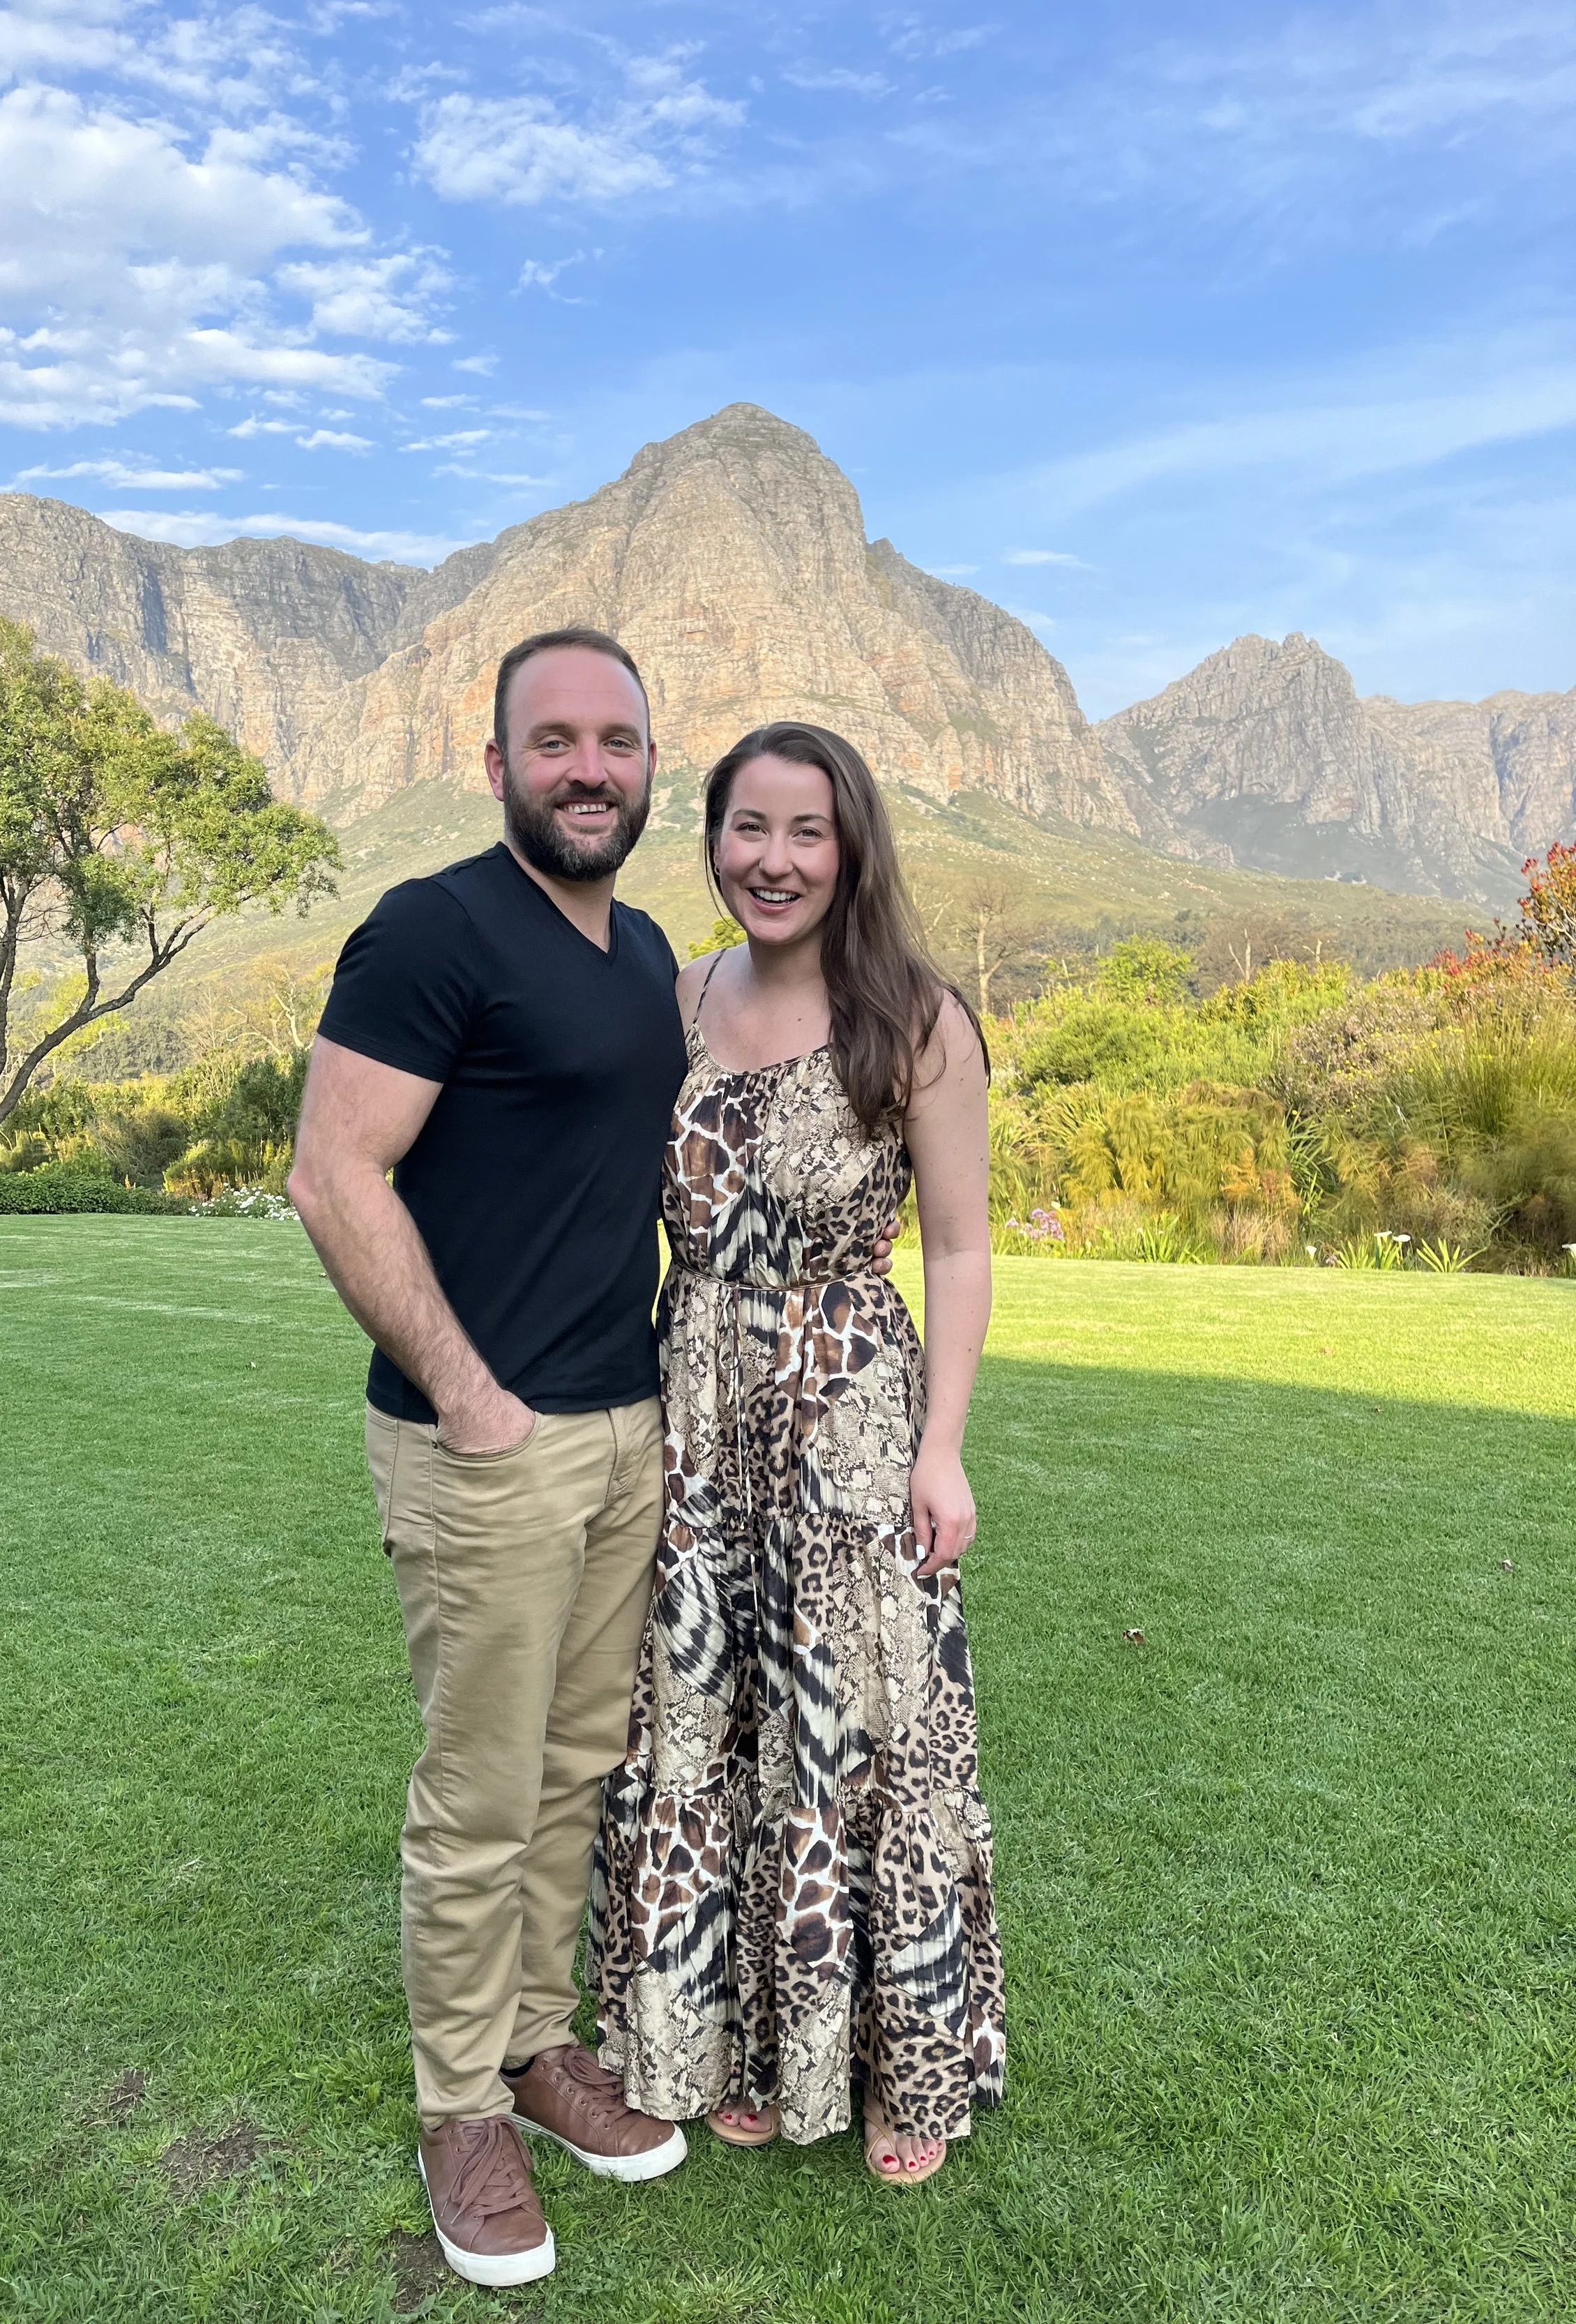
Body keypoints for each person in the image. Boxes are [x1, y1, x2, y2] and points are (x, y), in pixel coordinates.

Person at [287, 629, 692, 2289]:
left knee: (573, 1768)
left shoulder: (647, 944)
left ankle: (536, 2046)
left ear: (649, 760)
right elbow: (333, 1174)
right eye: (554, 740)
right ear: (498, 763)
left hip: (623, 1425)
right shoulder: (433, 930)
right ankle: (458, 2100)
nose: (588, 767)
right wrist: (465, 1392)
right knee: (476, 1791)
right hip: (488, 1442)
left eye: (616, 739)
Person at [589, 721, 1007, 2186]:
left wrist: (940, 1448)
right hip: (695, 1410)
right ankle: (746, 2048)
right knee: (715, 1731)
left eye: (804, 832)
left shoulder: (914, 1015)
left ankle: (901, 2068)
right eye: (745, 828)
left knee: (858, 1737)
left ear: (850, 848)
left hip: (850, 1414)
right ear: (709, 839)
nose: (771, 859)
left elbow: (956, 1244)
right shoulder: (674, 995)